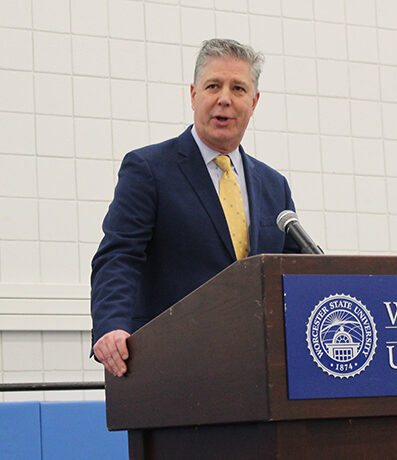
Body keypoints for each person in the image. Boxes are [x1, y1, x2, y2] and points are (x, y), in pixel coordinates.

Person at [91, 38, 300, 377]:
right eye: (213, 86)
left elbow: (294, 272)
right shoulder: (149, 169)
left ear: (254, 101)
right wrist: (112, 324)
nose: (224, 99)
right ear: (193, 95)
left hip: (258, 368)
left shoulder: (274, 186)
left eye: (238, 88)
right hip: (172, 365)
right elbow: (119, 256)